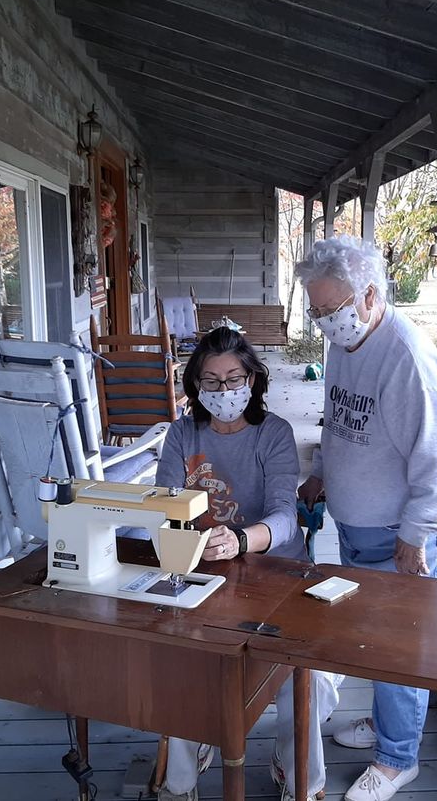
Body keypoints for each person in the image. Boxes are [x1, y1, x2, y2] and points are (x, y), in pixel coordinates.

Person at [295, 235, 437, 801]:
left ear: (369, 296)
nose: (326, 322)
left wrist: (416, 536)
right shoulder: (345, 343)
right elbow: (338, 419)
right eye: (317, 311)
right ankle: (390, 723)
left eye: (333, 309)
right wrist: (321, 472)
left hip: (405, 535)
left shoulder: (408, 361)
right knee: (371, 634)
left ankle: (398, 758)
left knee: (402, 646)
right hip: (359, 529)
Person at [153, 327, 342, 801]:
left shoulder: (272, 433)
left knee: (304, 679)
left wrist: (240, 539)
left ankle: (298, 776)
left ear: (252, 380)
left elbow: (284, 517)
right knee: (178, 663)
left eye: (233, 379)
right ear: (195, 385)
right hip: (204, 573)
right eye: (211, 381)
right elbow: (165, 504)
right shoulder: (182, 433)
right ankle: (181, 779)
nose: (223, 391)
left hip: (277, 573)